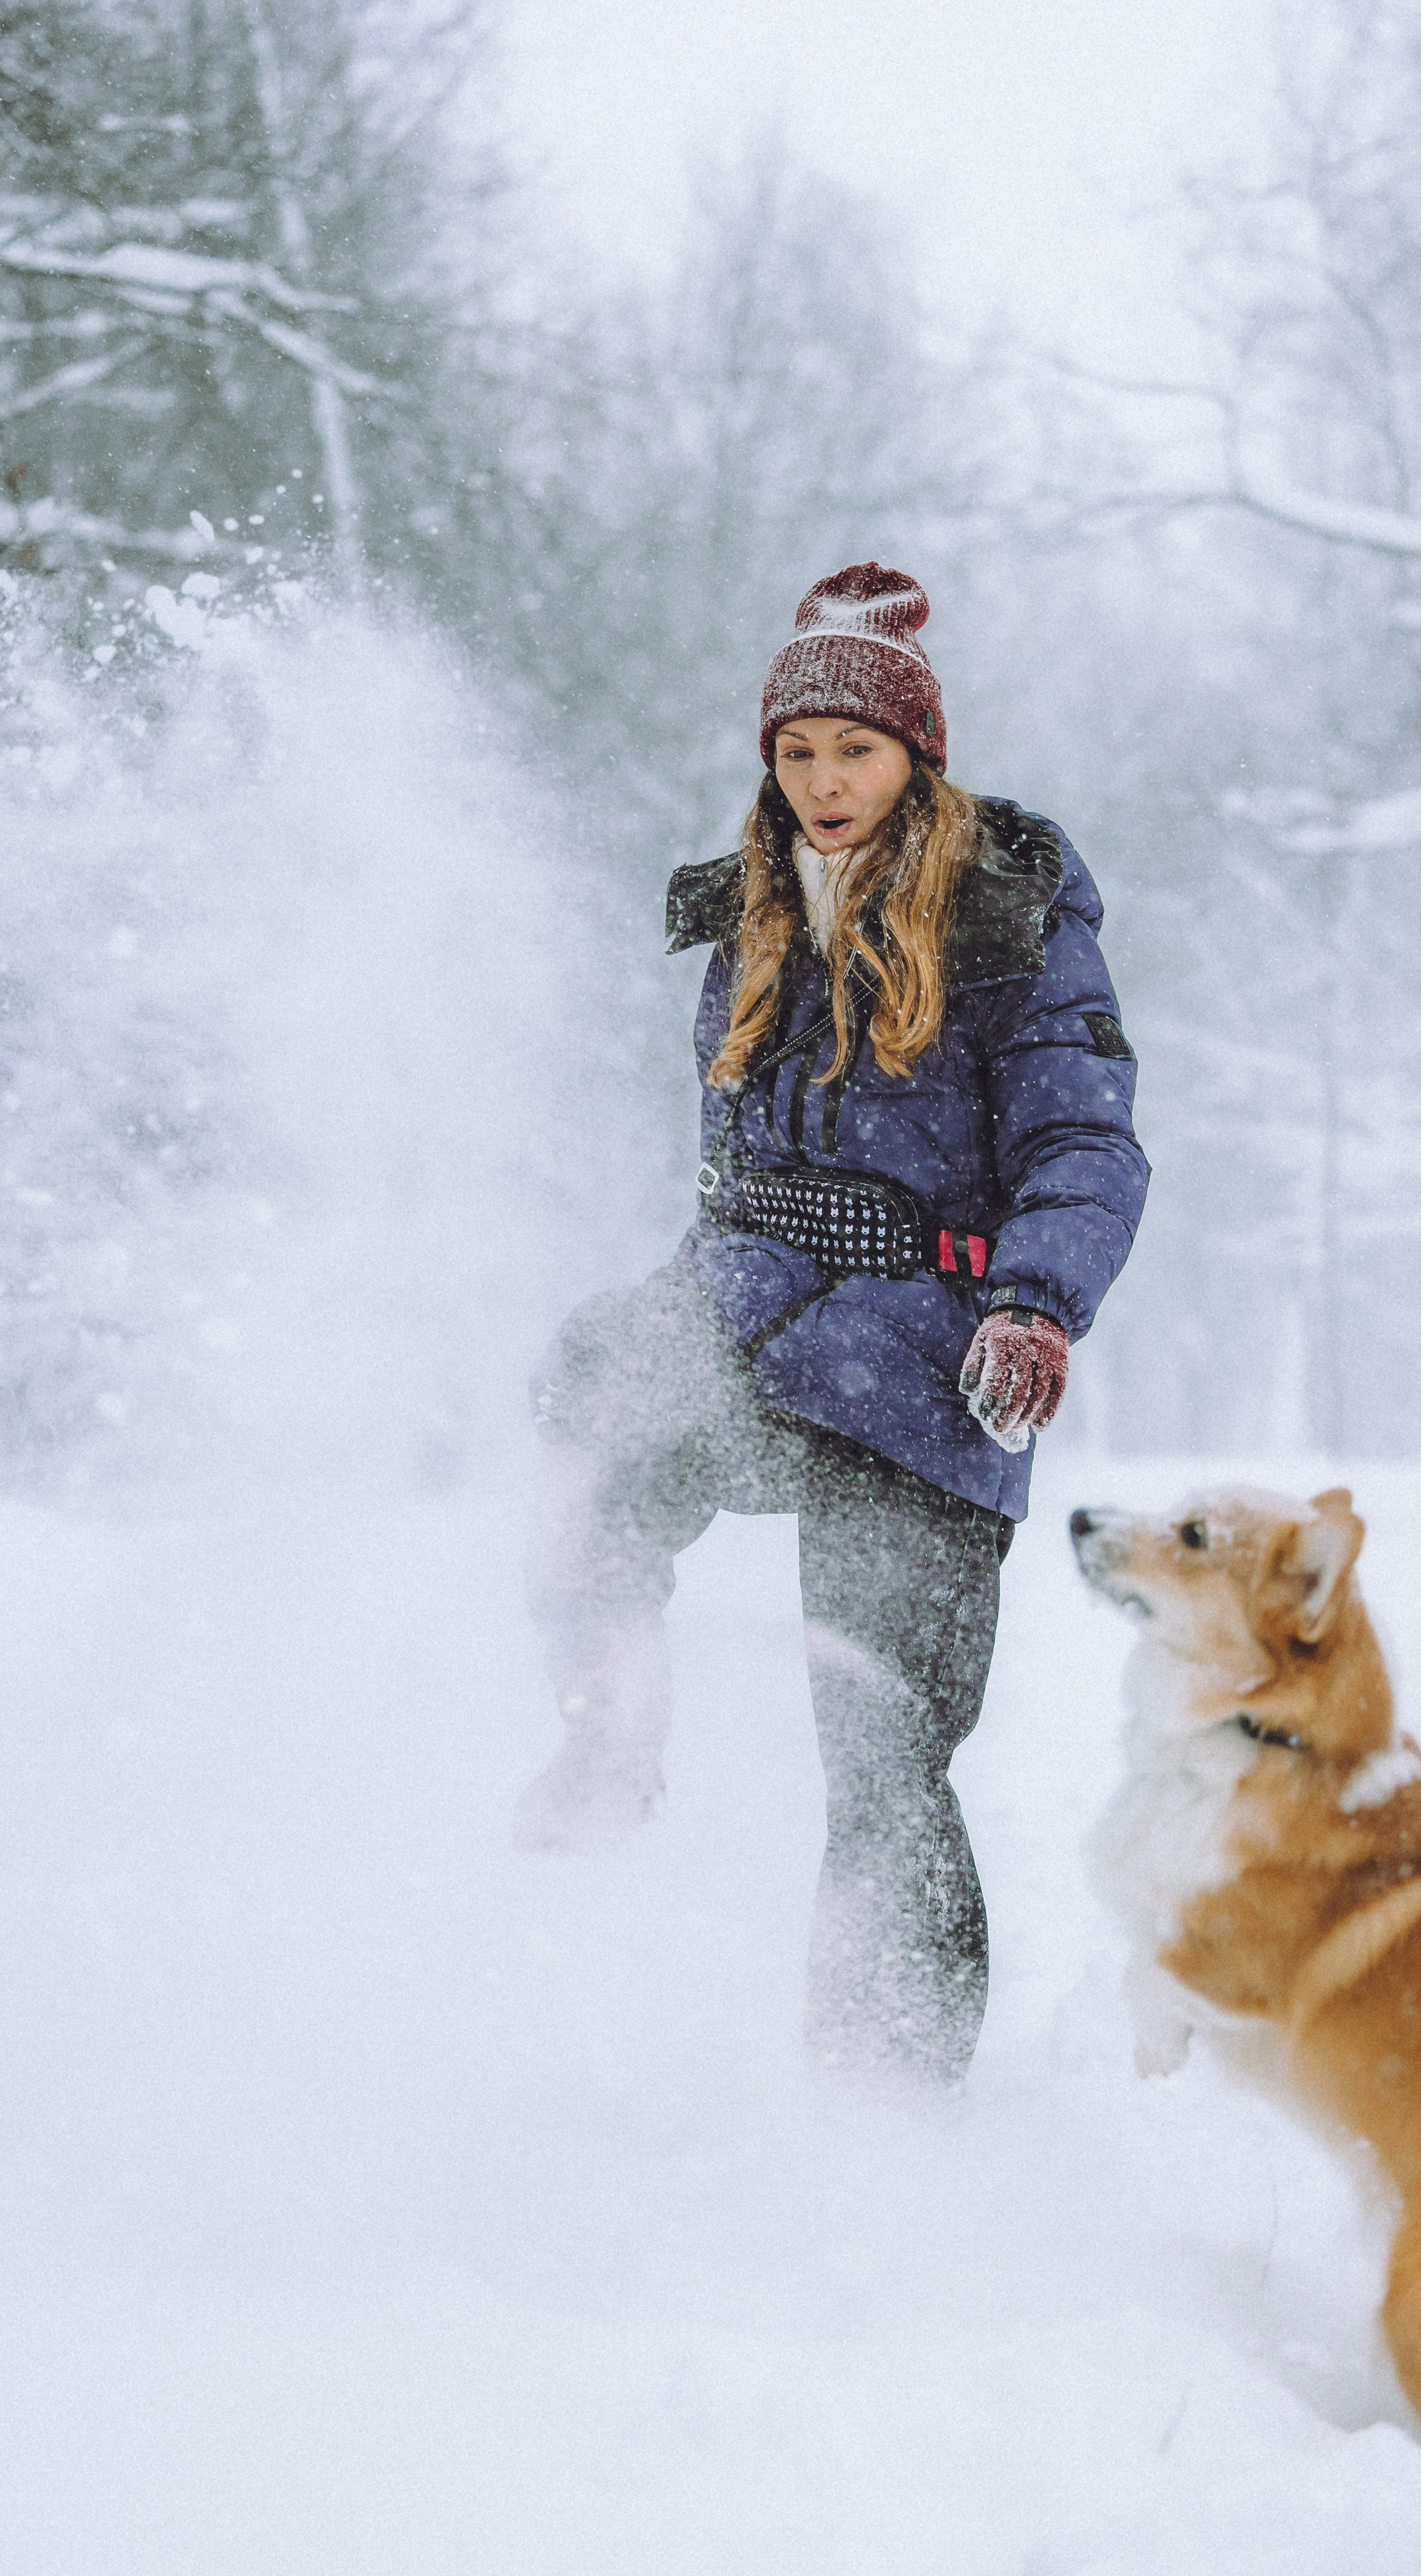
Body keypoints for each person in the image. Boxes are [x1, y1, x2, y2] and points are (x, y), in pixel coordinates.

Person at [519, 564, 1149, 2090]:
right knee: (582, 1432)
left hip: (922, 1360)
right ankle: (613, 1728)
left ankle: (888, 2101)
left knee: (877, 1749)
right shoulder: (746, 916)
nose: (821, 783)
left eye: (851, 752)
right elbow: (735, 1169)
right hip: (750, 1310)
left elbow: (1084, 1143)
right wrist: (662, 1307)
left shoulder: (1007, 911)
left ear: (913, 756)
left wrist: (1033, 1303)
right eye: (795, 753)